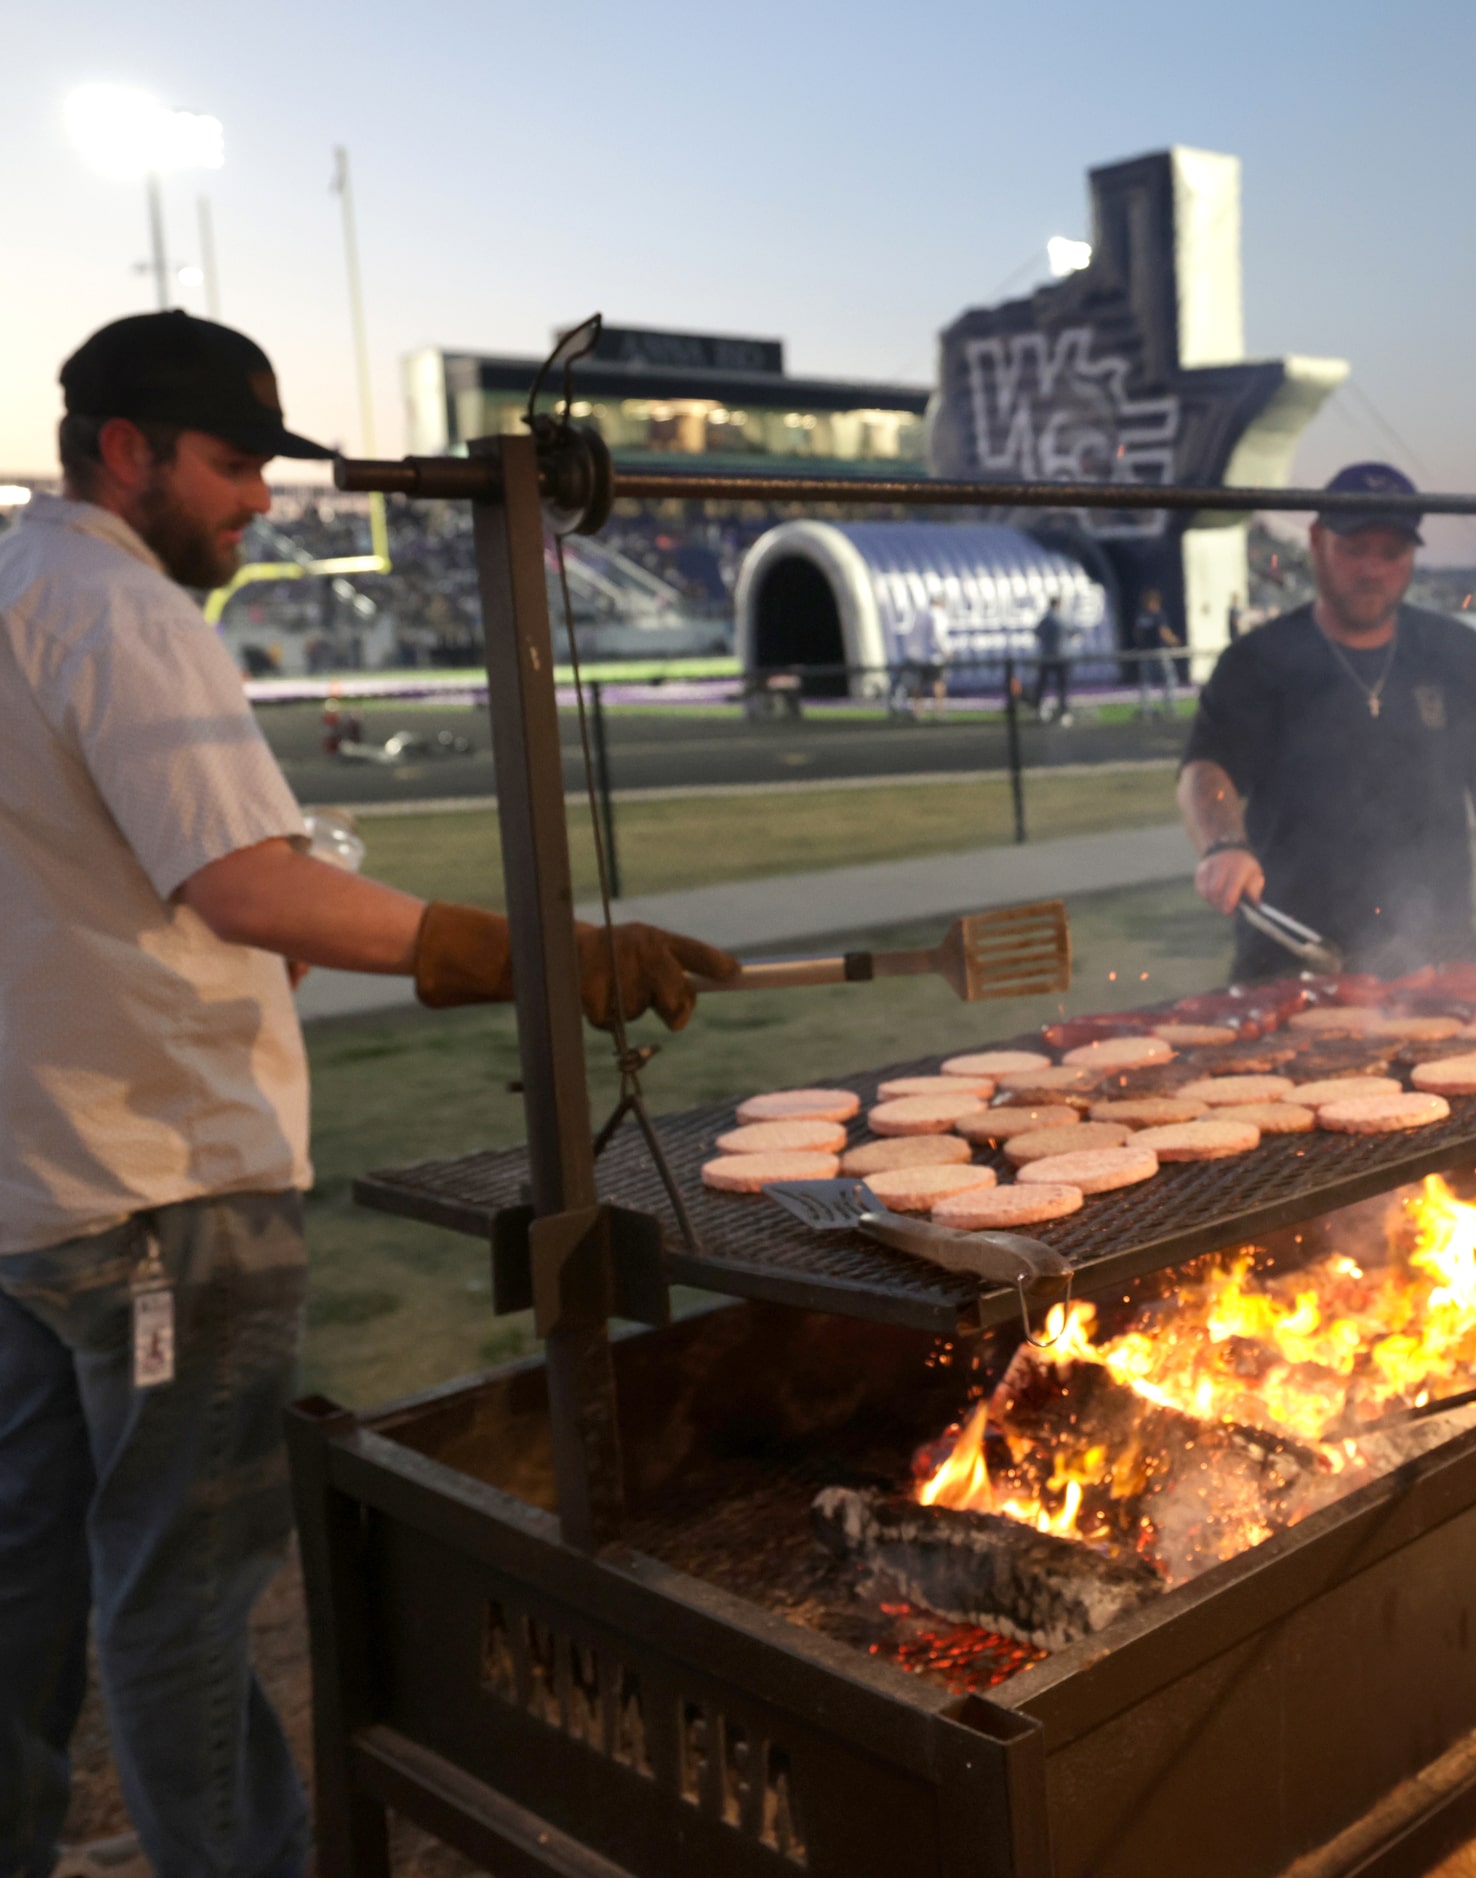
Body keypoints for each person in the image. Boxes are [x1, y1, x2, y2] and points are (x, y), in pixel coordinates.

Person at [0, 311, 735, 1878]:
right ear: (123, 452)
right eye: (230, 463)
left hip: (35, 1193)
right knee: (185, 1589)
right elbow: (247, 884)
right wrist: (534, 951)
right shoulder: (118, 612)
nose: (260, 497)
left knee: (28, 1572)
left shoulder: (11, 585)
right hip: (160, 1194)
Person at [1178, 461, 1476, 979]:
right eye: (1353, 549)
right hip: (1292, 960)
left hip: (1438, 958)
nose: (1372, 569)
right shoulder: (1258, 661)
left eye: (1391, 553)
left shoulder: (1456, 653)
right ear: (1317, 540)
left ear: (1411, 556)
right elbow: (1204, 771)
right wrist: (1224, 844)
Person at [1131, 588, 1179, 719]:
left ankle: (1146, 710)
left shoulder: (1141, 616)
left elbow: (1137, 634)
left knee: (1146, 682)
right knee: (1170, 678)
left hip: (1145, 652)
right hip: (1158, 651)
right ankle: (1170, 708)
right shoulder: (1159, 615)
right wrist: (1174, 641)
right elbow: (1164, 633)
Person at [1032, 597, 1072, 724]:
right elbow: (1072, 632)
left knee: (1042, 684)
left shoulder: (1045, 619)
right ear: (1058, 605)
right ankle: (1063, 712)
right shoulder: (1061, 619)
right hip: (1061, 656)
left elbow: (1036, 633)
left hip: (1046, 656)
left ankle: (1037, 709)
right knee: (1062, 686)